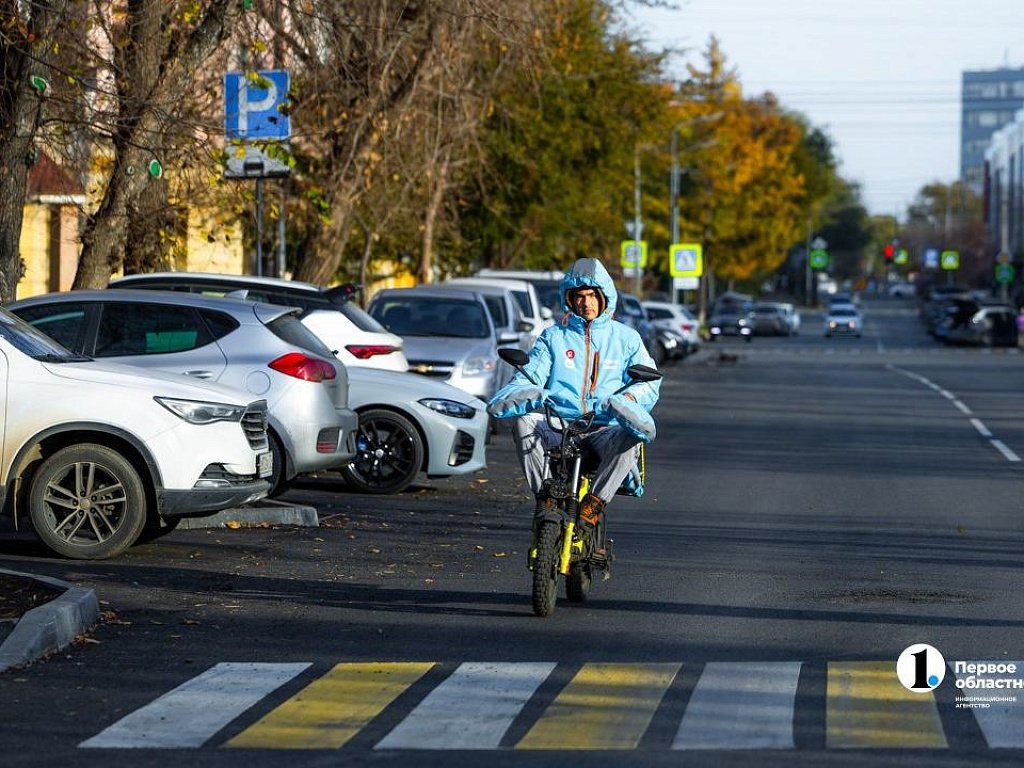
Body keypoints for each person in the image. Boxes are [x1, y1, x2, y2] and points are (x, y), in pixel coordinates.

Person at [486, 257, 661, 540]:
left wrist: (624, 400)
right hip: (558, 427)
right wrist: (523, 394)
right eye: (579, 296)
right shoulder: (553, 337)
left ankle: (593, 505)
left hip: (602, 428)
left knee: (632, 434)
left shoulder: (626, 339)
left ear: (605, 297)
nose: (586, 302)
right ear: (570, 299)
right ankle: (546, 498)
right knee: (522, 420)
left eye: (592, 295)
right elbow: (530, 376)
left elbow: (650, 382)